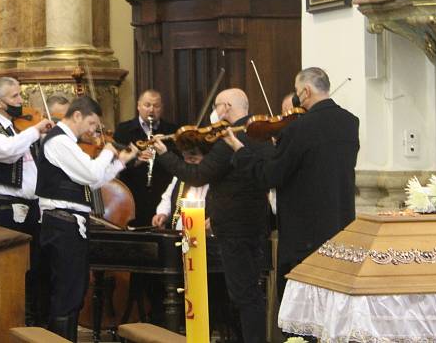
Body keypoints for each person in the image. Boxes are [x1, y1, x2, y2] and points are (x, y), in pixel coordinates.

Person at [152, 88, 271, 343]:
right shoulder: (260, 136)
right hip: (256, 224)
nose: (215, 114)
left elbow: (197, 176)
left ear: (226, 107)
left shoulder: (229, 141)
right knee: (250, 293)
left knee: (244, 296)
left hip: (234, 230)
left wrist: (164, 153)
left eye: (217, 107)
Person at [238, 67, 359, 300]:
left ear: (305, 91)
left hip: (303, 238)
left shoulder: (298, 128)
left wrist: (242, 153)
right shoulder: (350, 123)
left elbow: (270, 176)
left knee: (301, 316)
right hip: (340, 229)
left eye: (296, 91)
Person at [36, 96, 138, 341]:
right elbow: (91, 173)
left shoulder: (71, 143)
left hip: (72, 223)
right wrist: (107, 152)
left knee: (76, 288)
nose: (94, 130)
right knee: (67, 291)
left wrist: (120, 161)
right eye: (92, 123)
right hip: (62, 223)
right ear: (78, 115)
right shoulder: (59, 141)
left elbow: (93, 183)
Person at [0, 77, 53, 325]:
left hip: (34, 208)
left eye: (20, 95)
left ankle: (34, 323)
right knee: (9, 270)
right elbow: (7, 152)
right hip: (6, 208)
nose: (21, 101)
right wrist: (34, 131)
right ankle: (8, 323)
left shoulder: (20, 127)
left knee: (36, 269)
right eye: (15, 97)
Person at [113, 89, 179, 227]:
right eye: (147, 105)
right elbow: (115, 161)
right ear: (138, 106)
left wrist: (162, 153)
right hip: (132, 195)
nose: (151, 110)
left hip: (161, 194)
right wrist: (135, 161)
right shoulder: (123, 129)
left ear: (162, 108)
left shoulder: (171, 130)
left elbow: (178, 162)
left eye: (156, 106)